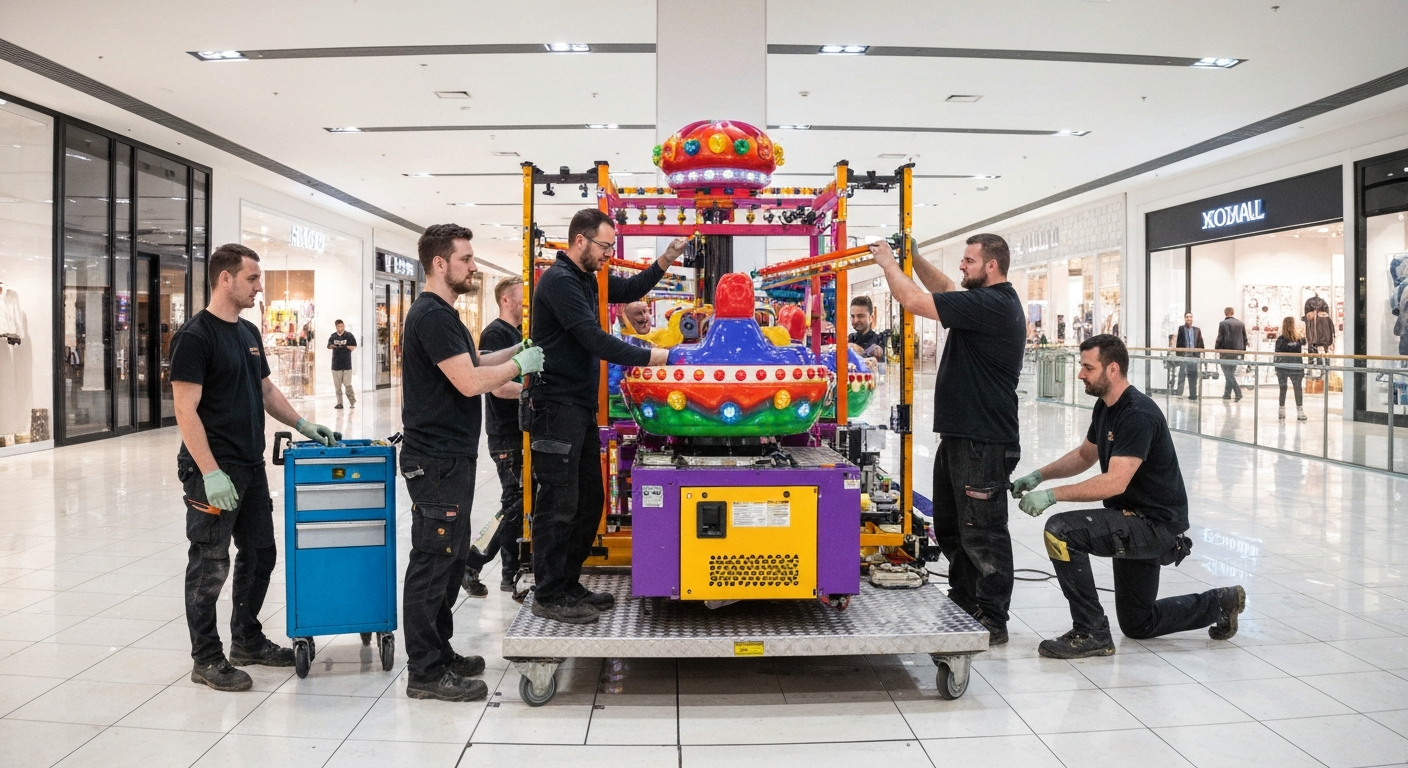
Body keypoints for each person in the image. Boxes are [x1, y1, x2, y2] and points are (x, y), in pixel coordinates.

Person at [1010, 334, 1246, 658]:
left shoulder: (1137, 414)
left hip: (1153, 526)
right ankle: (1222, 602)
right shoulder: (1106, 407)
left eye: (1087, 368)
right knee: (1139, 623)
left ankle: (1090, 631)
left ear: (1112, 369)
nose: (1080, 374)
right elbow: (1084, 455)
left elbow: (1114, 483)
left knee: (1060, 532)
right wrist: (1039, 475)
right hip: (1132, 518)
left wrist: (1052, 495)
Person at [170, 243, 337, 692]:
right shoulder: (195, 336)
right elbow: (186, 411)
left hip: (249, 465)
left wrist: (302, 423)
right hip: (213, 471)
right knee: (209, 564)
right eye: (252, 279)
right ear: (225, 278)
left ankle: (246, 639)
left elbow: (265, 390)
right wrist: (209, 471)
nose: (259, 288)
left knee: (261, 553)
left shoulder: (246, 333)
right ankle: (206, 658)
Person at [399, 224, 545, 701]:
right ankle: (424, 671)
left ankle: (440, 652)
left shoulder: (444, 315)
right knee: (432, 562)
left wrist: (514, 350)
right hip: (436, 459)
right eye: (465, 258)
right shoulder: (432, 315)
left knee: (449, 560)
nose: (473, 266)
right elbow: (468, 381)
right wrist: (517, 369)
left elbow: (474, 357)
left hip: (449, 458)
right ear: (440, 264)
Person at [869, 234, 1025, 644]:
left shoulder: (996, 304)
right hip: (961, 436)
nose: (962, 265)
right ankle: (963, 600)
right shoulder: (982, 301)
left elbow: (917, 302)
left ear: (991, 265)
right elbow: (943, 289)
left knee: (983, 531)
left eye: (969, 260)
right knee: (953, 526)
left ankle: (992, 617)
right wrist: (915, 257)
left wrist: (889, 263)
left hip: (984, 439)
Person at [530, 208, 682, 624]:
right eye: (604, 246)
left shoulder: (585, 278)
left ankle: (567, 582)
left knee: (588, 501)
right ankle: (548, 593)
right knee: (559, 505)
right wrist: (657, 357)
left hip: (577, 407)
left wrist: (666, 257)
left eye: (612, 247)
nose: (609, 255)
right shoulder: (560, 282)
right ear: (579, 240)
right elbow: (594, 339)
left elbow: (632, 286)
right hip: (555, 407)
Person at [463, 276, 528, 598]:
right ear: (506, 299)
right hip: (505, 435)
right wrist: (535, 393)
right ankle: (475, 561)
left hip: (519, 432)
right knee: (515, 502)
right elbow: (499, 386)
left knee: (518, 502)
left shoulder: (518, 334)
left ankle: (508, 571)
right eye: (522, 295)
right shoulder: (495, 333)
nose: (526, 301)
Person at [1275, 316, 1308, 422]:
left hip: (1283, 367)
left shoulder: (1280, 340)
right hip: (1296, 366)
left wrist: (1276, 367)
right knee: (1297, 389)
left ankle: (1281, 409)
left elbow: (1277, 354)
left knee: (1283, 388)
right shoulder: (1298, 339)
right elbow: (1305, 342)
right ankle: (1300, 410)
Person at [1214, 307, 1246, 402]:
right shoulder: (1240, 324)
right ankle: (1227, 394)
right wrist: (1243, 353)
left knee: (1228, 374)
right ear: (1233, 312)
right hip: (1237, 353)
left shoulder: (1223, 324)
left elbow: (1220, 338)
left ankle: (1238, 392)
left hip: (1226, 352)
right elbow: (1244, 339)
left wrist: (1217, 349)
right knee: (1230, 373)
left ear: (1225, 313)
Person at [1173, 313, 1204, 399]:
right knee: (1181, 375)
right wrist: (1178, 355)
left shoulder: (1197, 330)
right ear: (1184, 318)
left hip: (1193, 356)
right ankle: (1179, 394)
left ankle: (1193, 395)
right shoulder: (1181, 329)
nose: (1189, 318)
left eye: (1190, 317)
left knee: (1193, 376)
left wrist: (1199, 354)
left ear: (1192, 318)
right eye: (1187, 317)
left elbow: (1200, 343)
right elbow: (1179, 342)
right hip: (1184, 355)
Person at [328, 319, 357, 409]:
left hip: (347, 365)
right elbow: (329, 345)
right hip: (336, 365)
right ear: (336, 327)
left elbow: (354, 346)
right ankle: (339, 402)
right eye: (339, 326)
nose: (340, 328)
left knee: (347, 384)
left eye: (342, 326)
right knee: (337, 386)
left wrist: (347, 347)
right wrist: (332, 346)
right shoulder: (333, 336)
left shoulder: (349, 335)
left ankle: (352, 400)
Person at [848, 295, 886, 363]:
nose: (856, 320)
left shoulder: (880, 340)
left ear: (871, 318)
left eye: (860, 316)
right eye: (853, 316)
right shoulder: (850, 338)